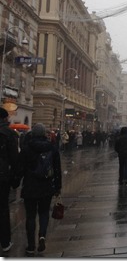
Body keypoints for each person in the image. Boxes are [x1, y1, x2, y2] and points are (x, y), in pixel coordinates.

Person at [18, 123, 62, 256]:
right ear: (44, 134)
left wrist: (14, 182)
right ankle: (42, 235)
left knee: (30, 216)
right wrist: (58, 187)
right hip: (46, 186)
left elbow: (20, 168)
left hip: (30, 186)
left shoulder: (26, 148)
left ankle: (31, 245)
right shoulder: (52, 148)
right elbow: (57, 169)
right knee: (43, 213)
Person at [0, 107, 20, 253]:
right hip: (2, 176)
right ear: (5, 119)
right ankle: (5, 242)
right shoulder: (9, 134)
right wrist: (16, 178)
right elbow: (14, 159)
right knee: (3, 208)